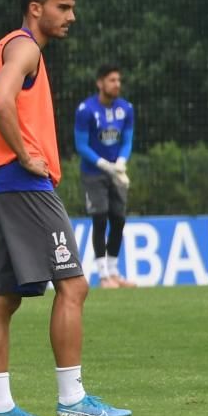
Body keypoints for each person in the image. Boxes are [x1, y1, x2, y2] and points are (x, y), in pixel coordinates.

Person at [0, 0, 131, 416]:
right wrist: (25, 155)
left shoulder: (2, 48)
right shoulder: (25, 48)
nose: (71, 16)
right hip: (24, 184)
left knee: (4, 296)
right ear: (35, 8)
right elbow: (1, 102)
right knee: (74, 285)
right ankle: (72, 399)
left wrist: (5, 156)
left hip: (0, 185)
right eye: (63, 7)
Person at [74, 64, 136, 288]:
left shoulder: (126, 109)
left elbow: (127, 140)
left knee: (118, 218)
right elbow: (81, 145)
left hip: (116, 172)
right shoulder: (85, 110)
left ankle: (114, 271)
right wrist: (104, 165)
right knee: (100, 217)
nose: (117, 84)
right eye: (112, 80)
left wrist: (120, 162)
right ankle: (103, 276)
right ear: (100, 83)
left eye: (118, 80)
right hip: (93, 173)